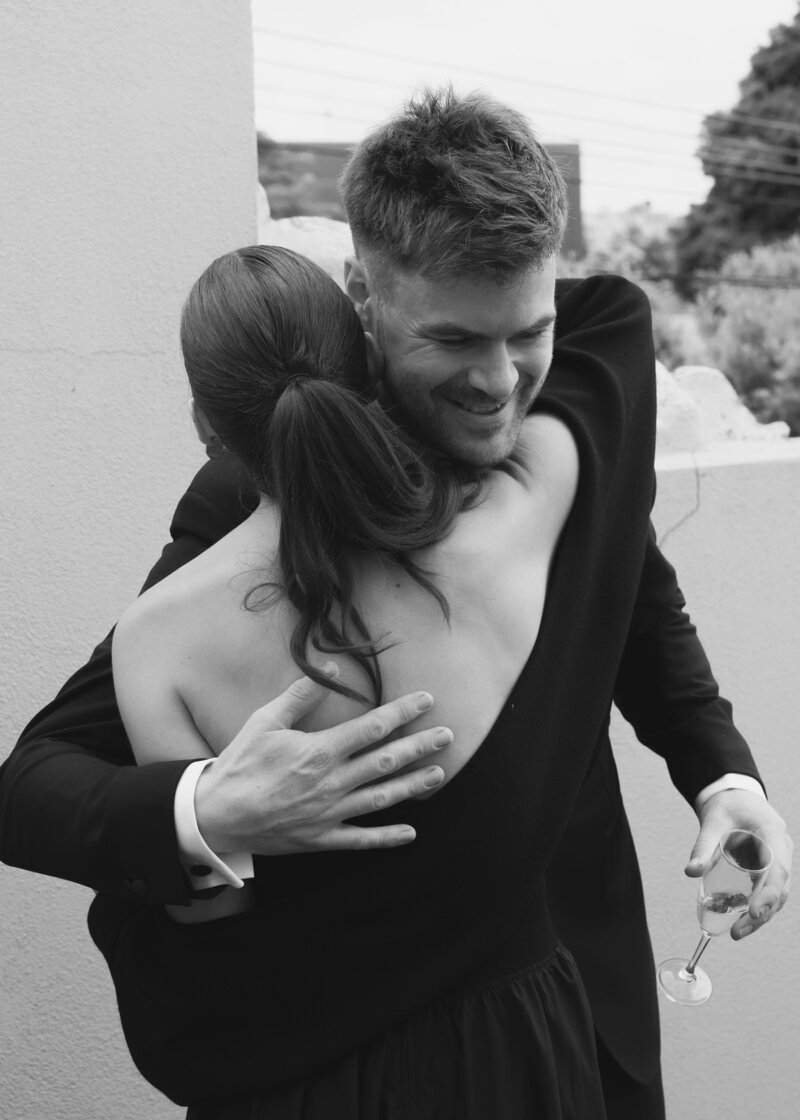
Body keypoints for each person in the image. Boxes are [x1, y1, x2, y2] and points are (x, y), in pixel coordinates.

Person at [0, 89, 791, 1119]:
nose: (500, 383)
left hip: (568, 999)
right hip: (340, 1041)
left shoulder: (562, 397)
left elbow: (632, 593)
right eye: (454, 341)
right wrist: (208, 809)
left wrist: (721, 774)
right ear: (364, 303)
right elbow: (34, 781)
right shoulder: (249, 496)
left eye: (529, 331)